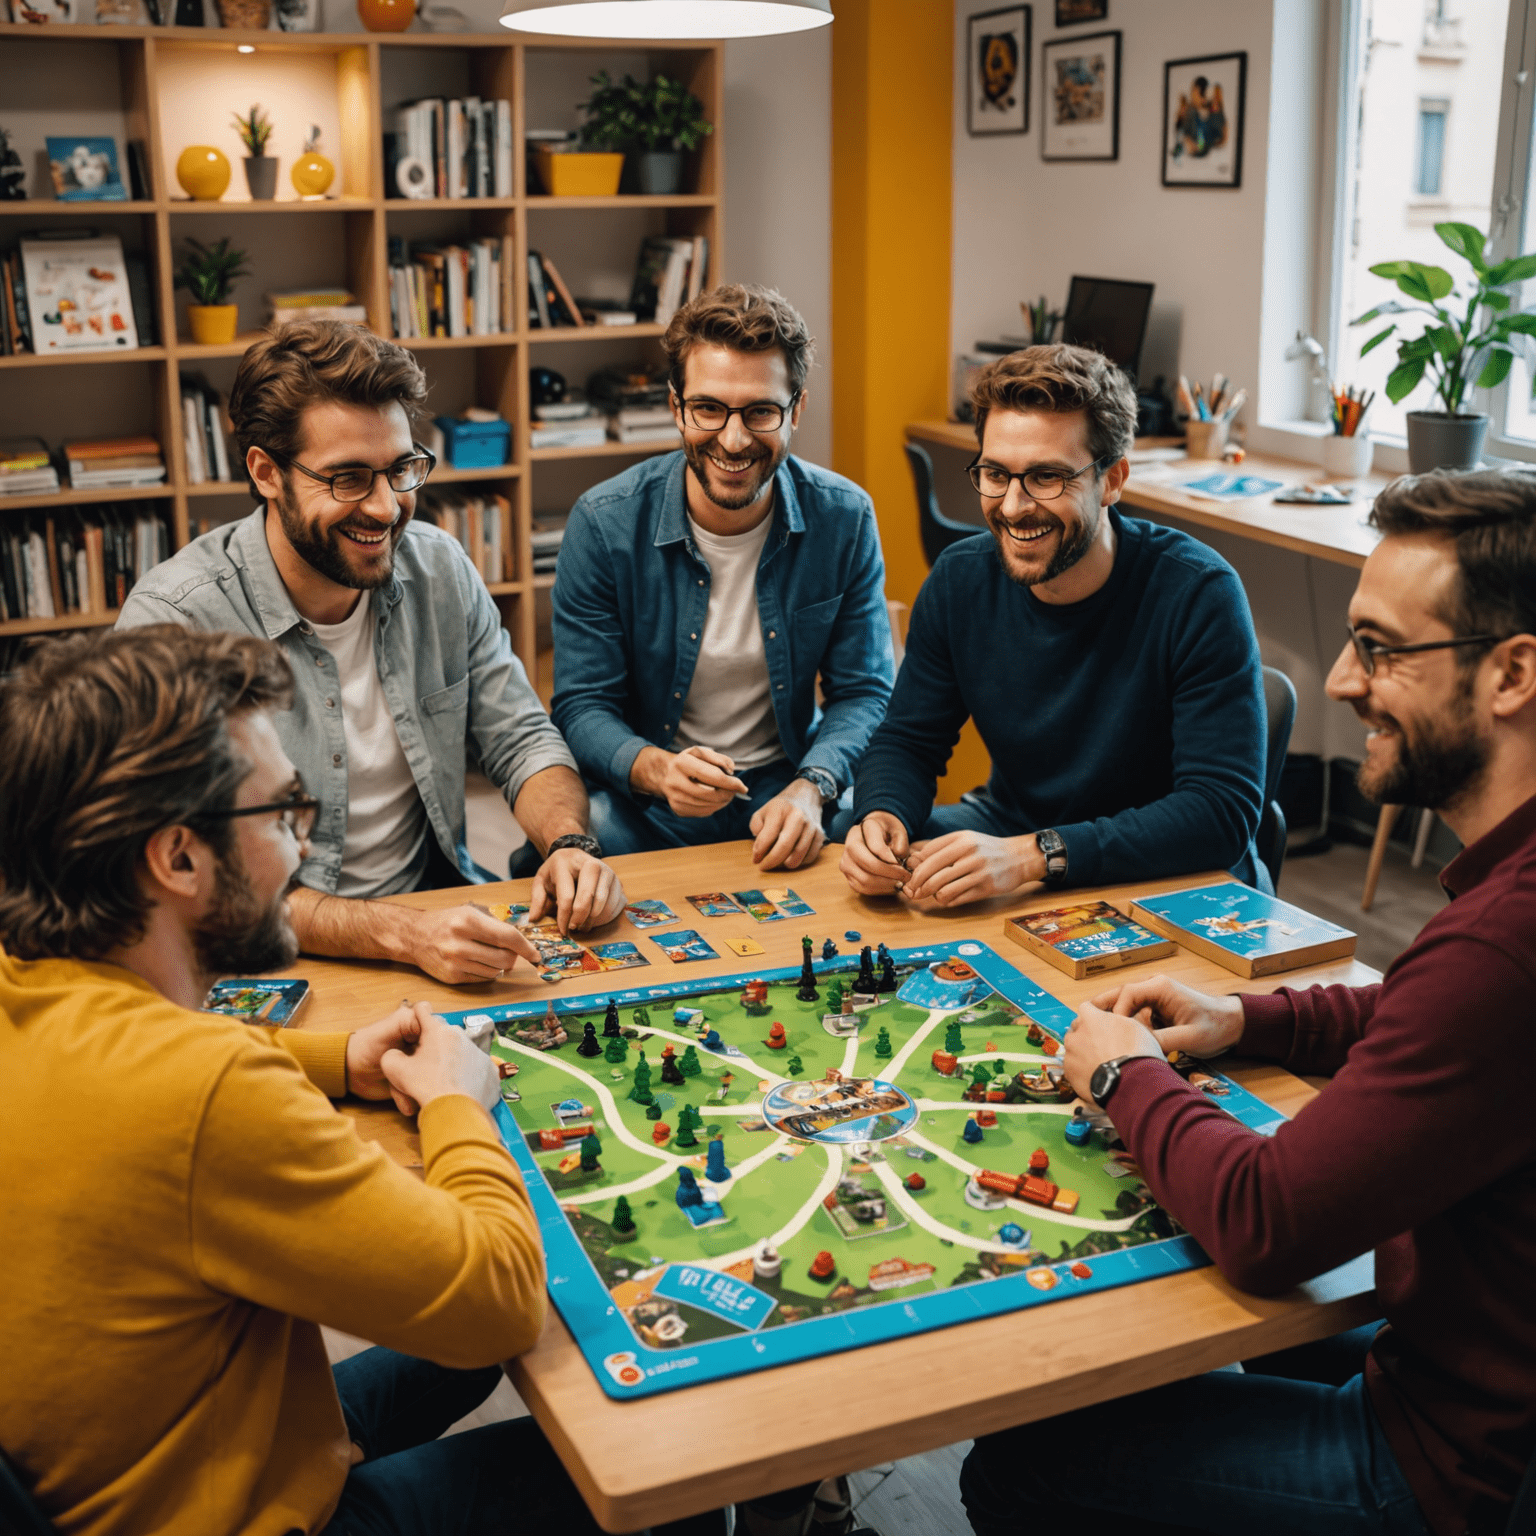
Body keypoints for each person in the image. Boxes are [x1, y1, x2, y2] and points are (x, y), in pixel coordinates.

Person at [962, 468, 1536, 1536]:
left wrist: (1124, 1072)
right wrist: (1249, 1019)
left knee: (1023, 1461)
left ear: (1511, 674)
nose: (1340, 684)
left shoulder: (1503, 944)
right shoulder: (1501, 918)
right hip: (1471, 1362)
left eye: (1381, 648)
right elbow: (1429, 1014)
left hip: (1453, 1464)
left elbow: (1266, 1222)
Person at [0, 624, 616, 1536]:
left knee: (455, 1365)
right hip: (233, 1514)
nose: (300, 851)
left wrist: (338, 1059)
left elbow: (163, 1076)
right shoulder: (208, 1089)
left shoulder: (27, 980)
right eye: (283, 813)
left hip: (141, 1458)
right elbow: (498, 1303)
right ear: (176, 858)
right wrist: (456, 1102)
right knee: (634, 1477)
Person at [118, 321, 624, 985]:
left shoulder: (440, 568)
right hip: (264, 960)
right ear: (266, 472)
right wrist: (400, 933)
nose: (387, 508)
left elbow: (522, 737)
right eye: (349, 478)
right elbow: (200, 885)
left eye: (400, 469)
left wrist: (569, 843)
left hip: (431, 927)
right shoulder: (174, 625)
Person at [838, 343, 1267, 907]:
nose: (1014, 507)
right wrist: (881, 814)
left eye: (1046, 477)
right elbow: (910, 740)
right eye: (995, 474)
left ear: (1112, 480)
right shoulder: (959, 579)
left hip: (1174, 872)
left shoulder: (1198, 592)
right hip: (1018, 837)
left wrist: (1033, 855)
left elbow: (1219, 814)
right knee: (842, 835)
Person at [549, 284, 894, 870]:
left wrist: (813, 785)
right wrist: (656, 770)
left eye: (760, 411)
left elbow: (864, 692)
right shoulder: (604, 524)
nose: (733, 441)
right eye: (709, 408)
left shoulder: (845, 516)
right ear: (676, 406)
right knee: (592, 833)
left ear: (797, 410)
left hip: (786, 785)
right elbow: (582, 705)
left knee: (873, 835)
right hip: (652, 796)